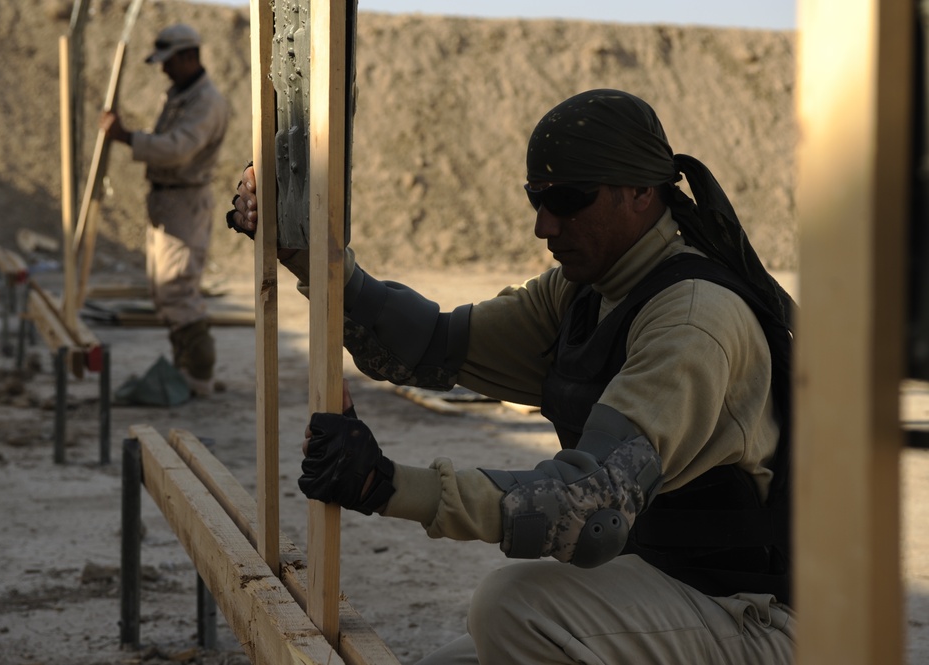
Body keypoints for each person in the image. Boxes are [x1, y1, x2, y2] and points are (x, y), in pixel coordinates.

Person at [228, 89, 796, 664]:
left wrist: (385, 484)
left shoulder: (693, 320)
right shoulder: (584, 292)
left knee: (513, 608)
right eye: (537, 199)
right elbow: (429, 345)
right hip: (667, 591)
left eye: (569, 199)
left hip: (749, 617)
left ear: (641, 193)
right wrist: (307, 255)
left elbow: (586, 510)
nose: (544, 226)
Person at [101, 23, 229, 395]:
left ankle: (198, 376)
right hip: (169, 199)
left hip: (185, 200)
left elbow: (177, 148)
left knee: (178, 291)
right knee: (164, 290)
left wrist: (127, 137)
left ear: (189, 56)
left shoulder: (206, 102)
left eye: (169, 61)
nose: (164, 69)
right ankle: (185, 369)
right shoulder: (182, 96)